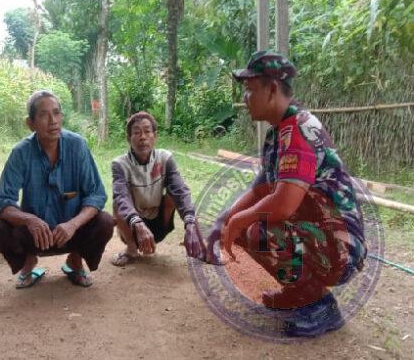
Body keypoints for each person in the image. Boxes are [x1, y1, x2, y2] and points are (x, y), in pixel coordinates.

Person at [206, 50, 366, 337]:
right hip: (321, 234)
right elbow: (260, 189)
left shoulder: (299, 130)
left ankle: (320, 305)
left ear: (272, 89)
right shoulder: (278, 134)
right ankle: (299, 293)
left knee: (259, 230)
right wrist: (222, 224)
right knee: (243, 225)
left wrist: (239, 221)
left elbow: (282, 205)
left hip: (341, 247)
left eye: (250, 90)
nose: (245, 97)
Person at [0, 90, 113, 288]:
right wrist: (30, 220)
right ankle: (28, 262)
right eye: (44, 115)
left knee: (105, 221)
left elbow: (96, 194)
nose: (53, 120)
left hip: (72, 232)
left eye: (56, 113)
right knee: (0, 231)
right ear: (31, 123)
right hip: (36, 235)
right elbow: (3, 202)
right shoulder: (21, 153)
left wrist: (73, 224)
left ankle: (75, 260)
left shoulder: (77, 146)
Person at [110, 111, 206, 266]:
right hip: (133, 227)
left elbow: (179, 189)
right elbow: (121, 196)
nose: (142, 137)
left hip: (160, 223)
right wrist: (138, 224)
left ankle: (202, 248)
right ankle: (131, 249)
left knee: (176, 192)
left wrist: (189, 221)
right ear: (129, 138)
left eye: (147, 131)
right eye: (136, 132)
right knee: (117, 202)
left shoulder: (164, 158)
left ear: (155, 136)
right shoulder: (119, 164)